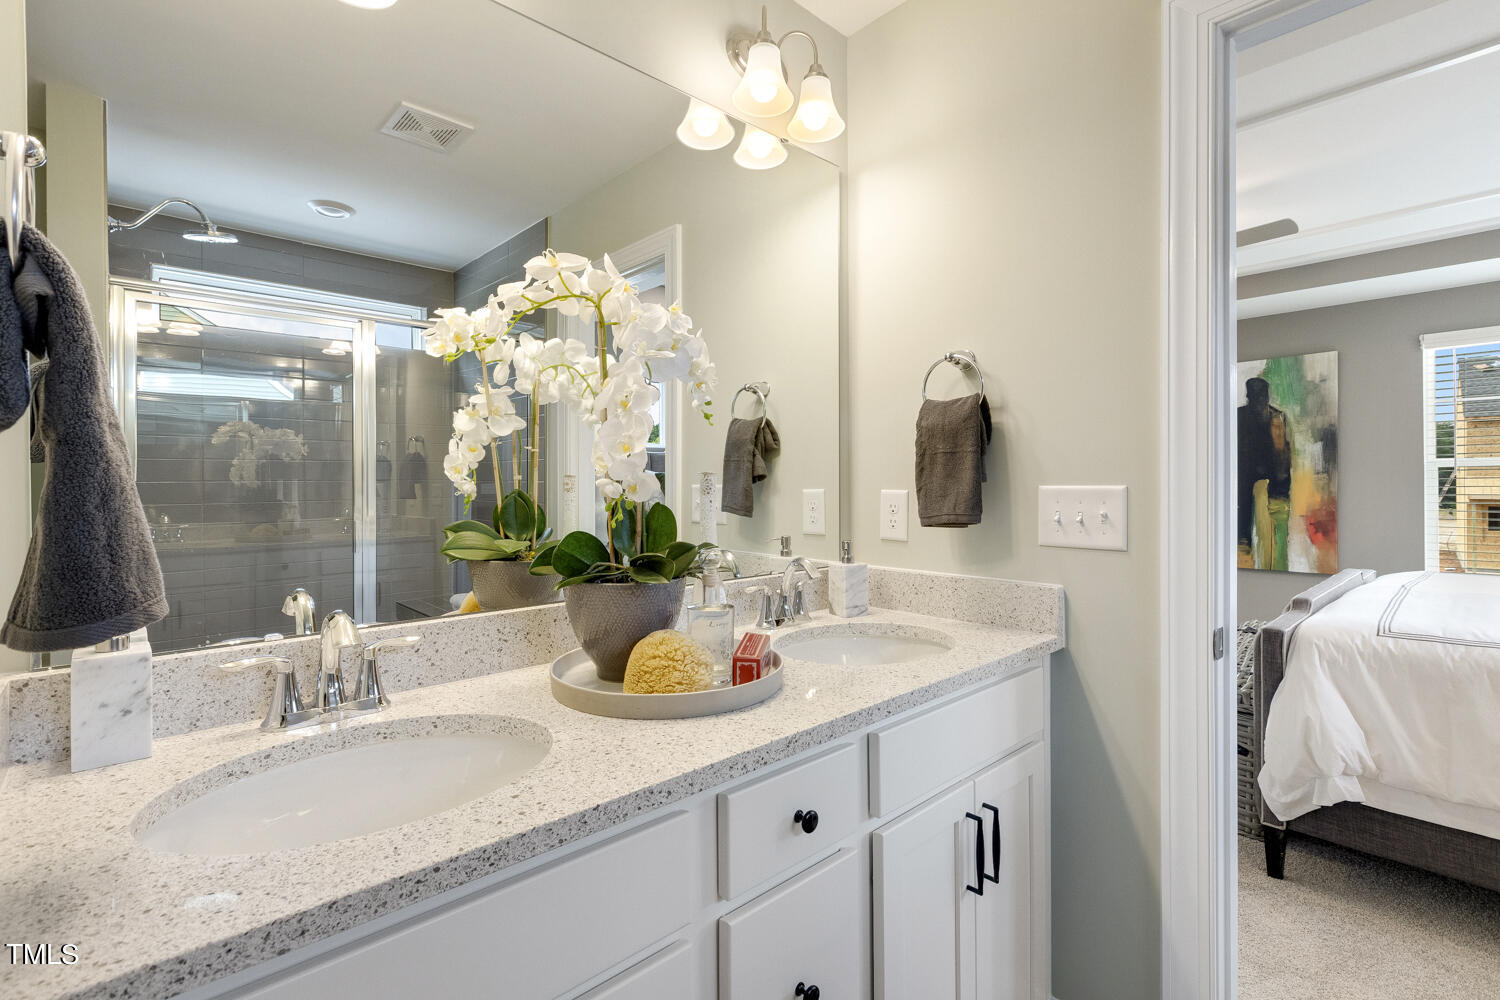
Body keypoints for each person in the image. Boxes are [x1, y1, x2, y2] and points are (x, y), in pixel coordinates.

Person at [1238, 376, 1292, 568]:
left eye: (1262, 398)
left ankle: (1258, 555)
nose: (1260, 402)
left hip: (1273, 483)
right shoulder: (1239, 417)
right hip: (1246, 481)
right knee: (1244, 528)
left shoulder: (1277, 418)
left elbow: (1283, 456)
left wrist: (1282, 490)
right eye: (1257, 398)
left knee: (1273, 528)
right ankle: (1246, 552)